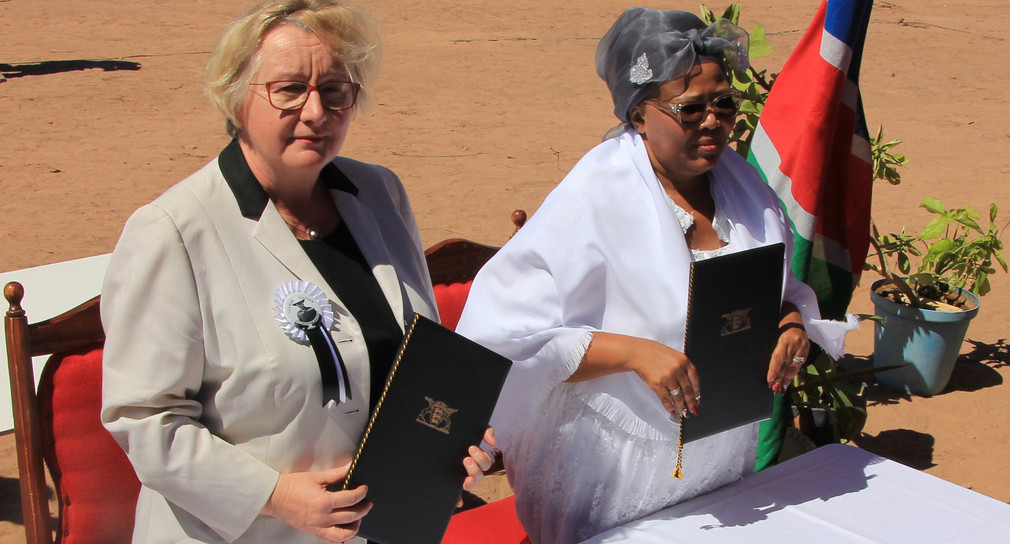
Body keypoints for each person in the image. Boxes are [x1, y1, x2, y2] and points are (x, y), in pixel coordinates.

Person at [455, 8, 856, 544]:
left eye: (724, 103)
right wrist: (633, 353)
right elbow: (504, 339)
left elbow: (768, 291)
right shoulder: (594, 199)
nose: (712, 120)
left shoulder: (746, 191)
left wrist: (788, 324)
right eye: (690, 109)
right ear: (639, 114)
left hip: (717, 450)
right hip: (612, 467)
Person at [100, 1, 494, 542]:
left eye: (335, 90)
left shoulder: (380, 194)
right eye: (288, 89)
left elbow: (419, 358)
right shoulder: (171, 231)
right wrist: (274, 496)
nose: (316, 112)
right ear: (236, 96)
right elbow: (146, 422)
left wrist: (452, 439)